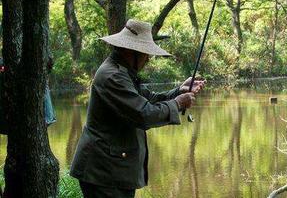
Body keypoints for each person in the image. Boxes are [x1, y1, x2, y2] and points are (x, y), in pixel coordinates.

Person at [70, 19, 205, 198]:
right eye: (145, 53)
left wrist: (179, 91)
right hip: (104, 172)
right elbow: (144, 114)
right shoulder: (113, 76)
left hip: (113, 170)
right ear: (129, 51)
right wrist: (178, 103)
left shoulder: (123, 72)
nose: (148, 58)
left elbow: (150, 99)